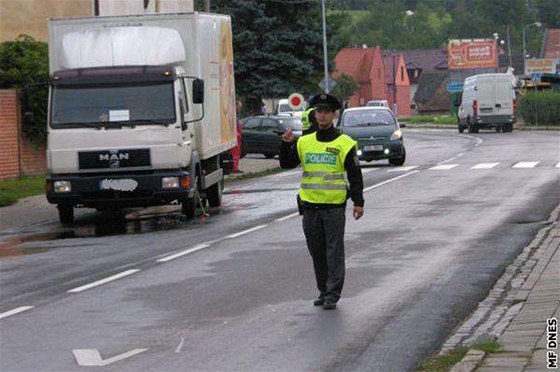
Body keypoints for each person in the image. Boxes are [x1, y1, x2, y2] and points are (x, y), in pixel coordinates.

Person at [279, 93, 364, 310]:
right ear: (314, 114)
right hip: (310, 207)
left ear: (334, 114)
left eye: (326, 112)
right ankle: (323, 289)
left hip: (334, 208)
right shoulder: (305, 142)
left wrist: (358, 201)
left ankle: (332, 294)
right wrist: (286, 144)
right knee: (316, 251)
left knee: (333, 252)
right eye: (319, 111)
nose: (322, 115)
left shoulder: (344, 143)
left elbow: (354, 174)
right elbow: (287, 164)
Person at [229, 100, 243, 173]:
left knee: (237, 155)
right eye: (239, 107)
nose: (240, 109)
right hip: (235, 138)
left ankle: (235, 168)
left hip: (238, 139)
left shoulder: (236, 115)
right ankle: (234, 168)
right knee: (234, 155)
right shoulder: (232, 115)